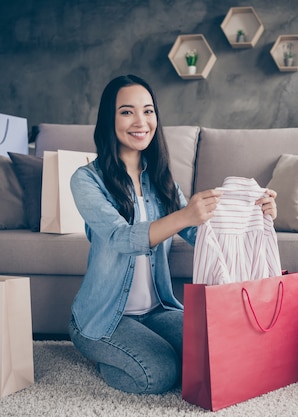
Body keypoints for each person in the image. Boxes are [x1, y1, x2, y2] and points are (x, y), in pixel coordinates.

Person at [68, 74, 278, 394]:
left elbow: (200, 233)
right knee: (159, 374)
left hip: (158, 311)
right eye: (127, 111)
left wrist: (256, 214)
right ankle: (107, 353)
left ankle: (138, 349)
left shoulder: (161, 181)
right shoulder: (86, 180)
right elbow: (120, 238)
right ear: (109, 119)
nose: (141, 121)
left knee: (216, 352)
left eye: (148, 110)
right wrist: (183, 215)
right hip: (104, 319)